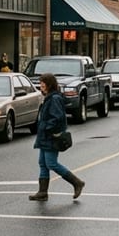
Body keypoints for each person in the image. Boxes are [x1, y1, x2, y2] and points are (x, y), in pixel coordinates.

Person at [29, 73, 85, 202]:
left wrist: (48, 129)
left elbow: (57, 117)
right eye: (40, 83)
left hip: (50, 137)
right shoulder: (50, 97)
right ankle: (42, 192)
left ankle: (77, 183)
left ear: (49, 84)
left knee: (51, 163)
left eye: (43, 83)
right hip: (44, 136)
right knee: (43, 163)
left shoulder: (54, 99)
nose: (41, 85)